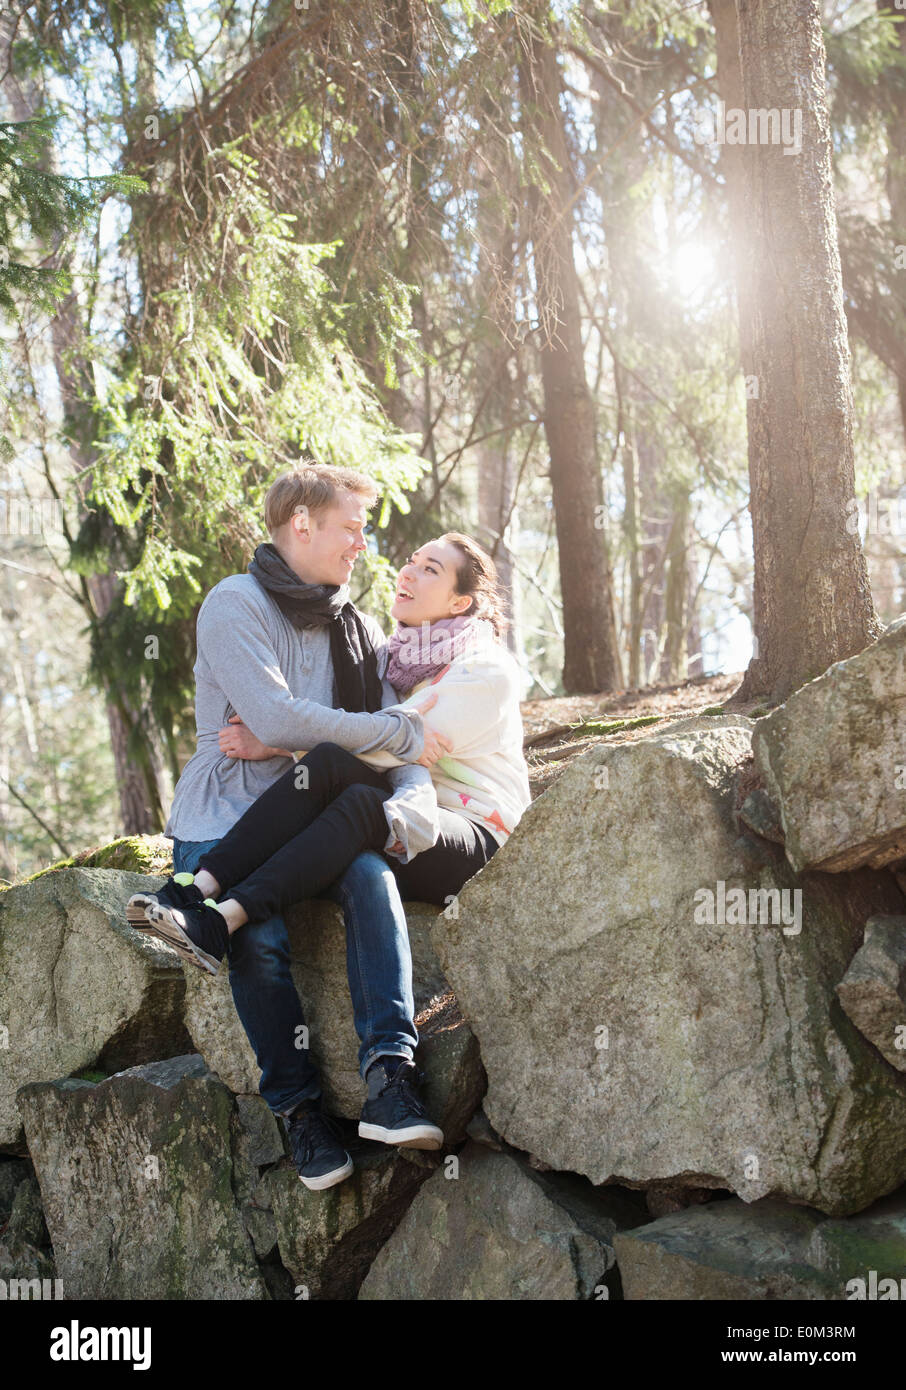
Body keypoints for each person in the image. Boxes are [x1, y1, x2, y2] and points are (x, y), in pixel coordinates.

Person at [129, 464, 530, 1190]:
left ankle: (390, 1078)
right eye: (351, 527)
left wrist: (404, 788)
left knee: (374, 881)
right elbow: (335, 725)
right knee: (264, 940)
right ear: (302, 525)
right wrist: (378, 738)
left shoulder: (360, 627)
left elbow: (384, 745)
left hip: (319, 813)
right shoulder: (235, 604)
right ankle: (300, 1111)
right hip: (228, 811)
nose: (364, 545)